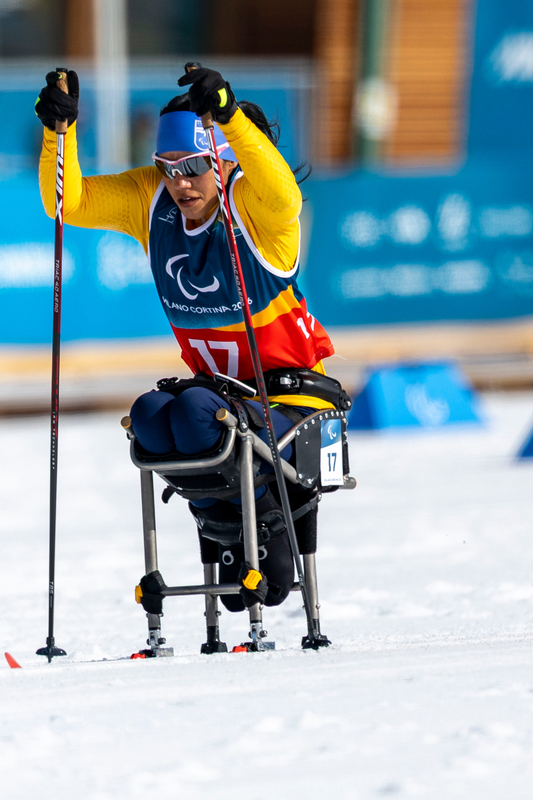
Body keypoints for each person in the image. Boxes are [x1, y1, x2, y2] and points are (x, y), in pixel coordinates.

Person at [35, 65, 346, 613]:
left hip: (291, 398)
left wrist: (228, 116)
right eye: (169, 167)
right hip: (223, 401)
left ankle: (267, 526)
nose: (180, 182)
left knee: (195, 413)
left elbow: (285, 196)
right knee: (152, 416)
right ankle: (226, 526)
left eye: (195, 166)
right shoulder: (151, 200)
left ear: (223, 160)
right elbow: (70, 202)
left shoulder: (256, 207)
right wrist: (60, 133)